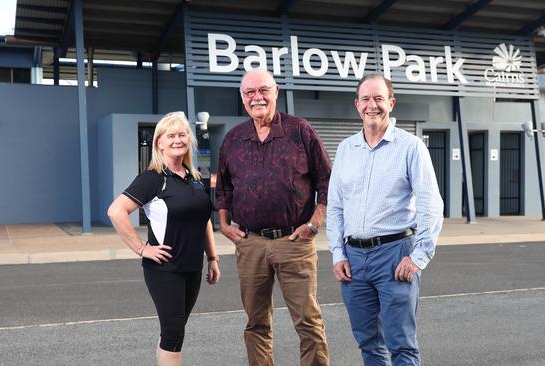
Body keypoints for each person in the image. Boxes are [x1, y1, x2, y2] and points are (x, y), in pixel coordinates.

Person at [215, 68, 331, 366]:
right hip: (250, 243)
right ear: (242, 98)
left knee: (308, 322)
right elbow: (223, 188)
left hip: (294, 241)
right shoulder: (233, 139)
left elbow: (328, 181)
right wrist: (224, 224)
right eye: (249, 93)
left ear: (276, 91)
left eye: (263, 90)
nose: (257, 98)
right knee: (256, 323)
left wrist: (314, 224)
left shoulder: (300, 131)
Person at [326, 74, 443, 366]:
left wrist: (418, 257)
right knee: (368, 343)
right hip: (353, 259)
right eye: (365, 99)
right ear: (357, 105)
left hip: (395, 255)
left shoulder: (411, 147)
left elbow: (431, 203)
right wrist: (338, 253)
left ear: (391, 103)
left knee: (401, 344)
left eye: (378, 98)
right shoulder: (345, 149)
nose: (372, 105)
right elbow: (335, 207)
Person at [107, 111, 220, 366]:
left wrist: (212, 258)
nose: (177, 140)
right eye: (171, 136)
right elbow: (116, 211)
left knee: (173, 334)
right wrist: (141, 248)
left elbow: (203, 221)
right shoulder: (153, 178)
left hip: (193, 268)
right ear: (160, 142)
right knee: (173, 335)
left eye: (182, 135)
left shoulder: (195, 179)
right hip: (165, 269)